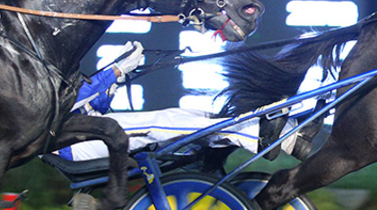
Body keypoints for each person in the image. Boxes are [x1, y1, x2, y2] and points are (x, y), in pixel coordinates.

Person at [56, 42, 310, 162]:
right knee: (167, 122)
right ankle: (267, 138)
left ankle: (292, 134)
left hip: (88, 132)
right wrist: (115, 71)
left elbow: (90, 106)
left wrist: (114, 82)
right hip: (78, 142)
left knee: (188, 115)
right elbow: (69, 103)